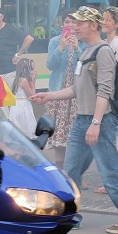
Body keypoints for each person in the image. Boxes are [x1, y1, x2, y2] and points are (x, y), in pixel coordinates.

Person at [32, 6, 118, 234]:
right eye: (74, 23)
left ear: (93, 25)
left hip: (98, 121)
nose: (74, 27)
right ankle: (71, 217)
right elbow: (76, 88)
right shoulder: (85, 51)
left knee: (110, 173)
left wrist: (97, 123)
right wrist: (49, 95)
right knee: (71, 172)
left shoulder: (103, 52)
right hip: (82, 121)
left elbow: (104, 91)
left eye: (80, 23)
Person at [96, 6, 118, 195]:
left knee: (114, 141)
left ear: (116, 24)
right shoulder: (106, 43)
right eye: (103, 19)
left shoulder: (117, 44)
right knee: (109, 141)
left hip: (113, 98)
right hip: (107, 97)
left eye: (108, 19)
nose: (104, 22)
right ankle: (113, 182)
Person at [43, 15, 80, 171]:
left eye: (73, 22)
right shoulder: (54, 41)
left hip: (76, 93)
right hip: (58, 92)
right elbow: (50, 65)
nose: (70, 25)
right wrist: (61, 48)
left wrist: (77, 48)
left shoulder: (83, 42)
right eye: (67, 22)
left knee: (75, 135)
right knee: (59, 134)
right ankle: (60, 171)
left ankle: (76, 174)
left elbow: (85, 65)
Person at [0, 5, 32, 78]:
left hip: (9, 72)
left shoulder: (10, 29)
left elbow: (29, 39)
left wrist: (18, 54)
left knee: (9, 89)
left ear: (1, 17)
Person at [8, 58, 38, 138]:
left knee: (17, 131)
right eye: (32, 68)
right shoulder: (24, 80)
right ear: (27, 69)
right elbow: (32, 96)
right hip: (23, 107)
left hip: (16, 106)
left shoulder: (17, 79)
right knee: (26, 131)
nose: (34, 71)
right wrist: (33, 81)